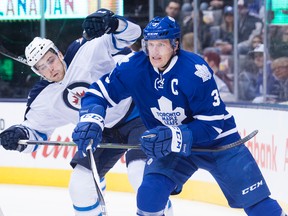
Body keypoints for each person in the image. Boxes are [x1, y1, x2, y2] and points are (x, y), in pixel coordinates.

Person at [72, 16, 287, 216]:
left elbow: (212, 124)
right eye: (150, 44)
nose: (154, 52)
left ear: (175, 45)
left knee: (258, 205)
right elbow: (98, 93)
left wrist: (173, 136)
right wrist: (92, 118)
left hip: (219, 144)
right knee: (149, 193)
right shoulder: (135, 67)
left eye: (161, 44)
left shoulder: (195, 71)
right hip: (171, 144)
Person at [0, 9, 159, 216]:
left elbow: (133, 34)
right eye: (42, 68)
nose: (50, 69)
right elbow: (35, 132)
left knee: (141, 177)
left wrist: (113, 24)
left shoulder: (87, 50)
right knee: (80, 186)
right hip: (100, 130)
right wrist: (20, 135)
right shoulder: (43, 98)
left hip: (137, 115)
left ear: (59, 53)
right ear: (37, 73)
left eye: (50, 60)